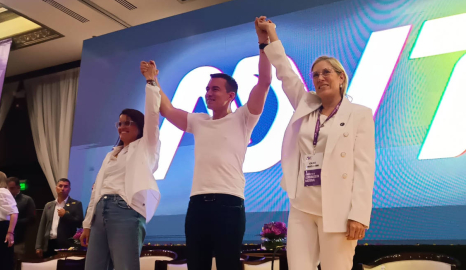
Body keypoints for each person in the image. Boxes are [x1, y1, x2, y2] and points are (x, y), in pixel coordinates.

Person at [140, 16, 272, 270]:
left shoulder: (244, 118)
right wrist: (152, 80)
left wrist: (263, 41)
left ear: (231, 96)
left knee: (227, 264)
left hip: (229, 204)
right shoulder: (199, 121)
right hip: (198, 203)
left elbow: (264, 81)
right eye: (207, 89)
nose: (208, 93)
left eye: (215, 89)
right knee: (197, 264)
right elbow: (166, 109)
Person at [257, 18, 376, 270]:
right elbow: (286, 74)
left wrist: (359, 215)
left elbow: (364, 167)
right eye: (315, 75)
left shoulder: (359, 114)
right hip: (302, 205)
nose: (320, 78)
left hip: (338, 209)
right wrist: (269, 37)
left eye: (326, 72)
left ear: (341, 77)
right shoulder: (307, 106)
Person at [80, 72, 162, 270]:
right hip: (101, 210)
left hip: (125, 210)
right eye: (120, 123)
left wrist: (150, 82)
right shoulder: (111, 155)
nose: (122, 127)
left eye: (128, 122)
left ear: (139, 126)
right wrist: (87, 223)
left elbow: (152, 115)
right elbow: (97, 190)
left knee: (125, 267)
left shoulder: (146, 146)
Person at [35, 178, 83, 258]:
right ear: (56, 188)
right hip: (49, 242)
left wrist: (66, 215)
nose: (62, 188)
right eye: (60, 186)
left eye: (65, 186)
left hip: (66, 243)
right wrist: (38, 246)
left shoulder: (76, 204)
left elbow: (79, 223)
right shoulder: (49, 205)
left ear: (69, 189)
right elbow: (42, 226)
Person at [7, 177, 36, 259]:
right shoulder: (3, 199)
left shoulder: (27, 200)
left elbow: (32, 219)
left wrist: (14, 221)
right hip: (3, 238)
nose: (9, 191)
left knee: (17, 262)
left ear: (18, 187)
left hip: (19, 239)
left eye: (12, 188)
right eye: (7, 188)